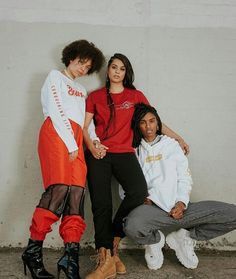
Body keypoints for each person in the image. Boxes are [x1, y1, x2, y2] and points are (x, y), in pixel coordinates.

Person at [83, 53, 190, 279]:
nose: (117, 72)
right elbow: (84, 126)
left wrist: (178, 138)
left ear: (126, 72)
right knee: (101, 203)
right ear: (108, 71)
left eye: (122, 68)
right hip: (99, 154)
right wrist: (92, 148)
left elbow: (155, 121)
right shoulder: (94, 97)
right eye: (114, 67)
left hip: (124, 153)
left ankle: (112, 242)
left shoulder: (135, 95)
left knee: (138, 192)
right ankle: (105, 259)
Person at [21, 40, 105, 279]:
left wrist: (95, 141)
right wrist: (70, 143)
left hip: (76, 138)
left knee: (77, 194)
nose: (83, 68)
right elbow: (56, 110)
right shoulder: (54, 77)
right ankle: (33, 251)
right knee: (58, 189)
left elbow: (87, 122)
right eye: (81, 62)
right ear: (71, 58)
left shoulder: (82, 91)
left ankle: (70, 259)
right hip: (57, 133)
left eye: (88, 66)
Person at [123, 103, 236, 270]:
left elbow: (184, 177)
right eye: (143, 122)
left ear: (158, 123)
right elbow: (125, 185)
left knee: (232, 214)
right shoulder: (134, 151)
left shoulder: (171, 145)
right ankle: (155, 242)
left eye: (152, 121)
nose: (148, 126)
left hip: (181, 208)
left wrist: (181, 203)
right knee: (131, 225)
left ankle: (185, 238)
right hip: (152, 209)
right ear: (137, 126)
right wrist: (141, 200)